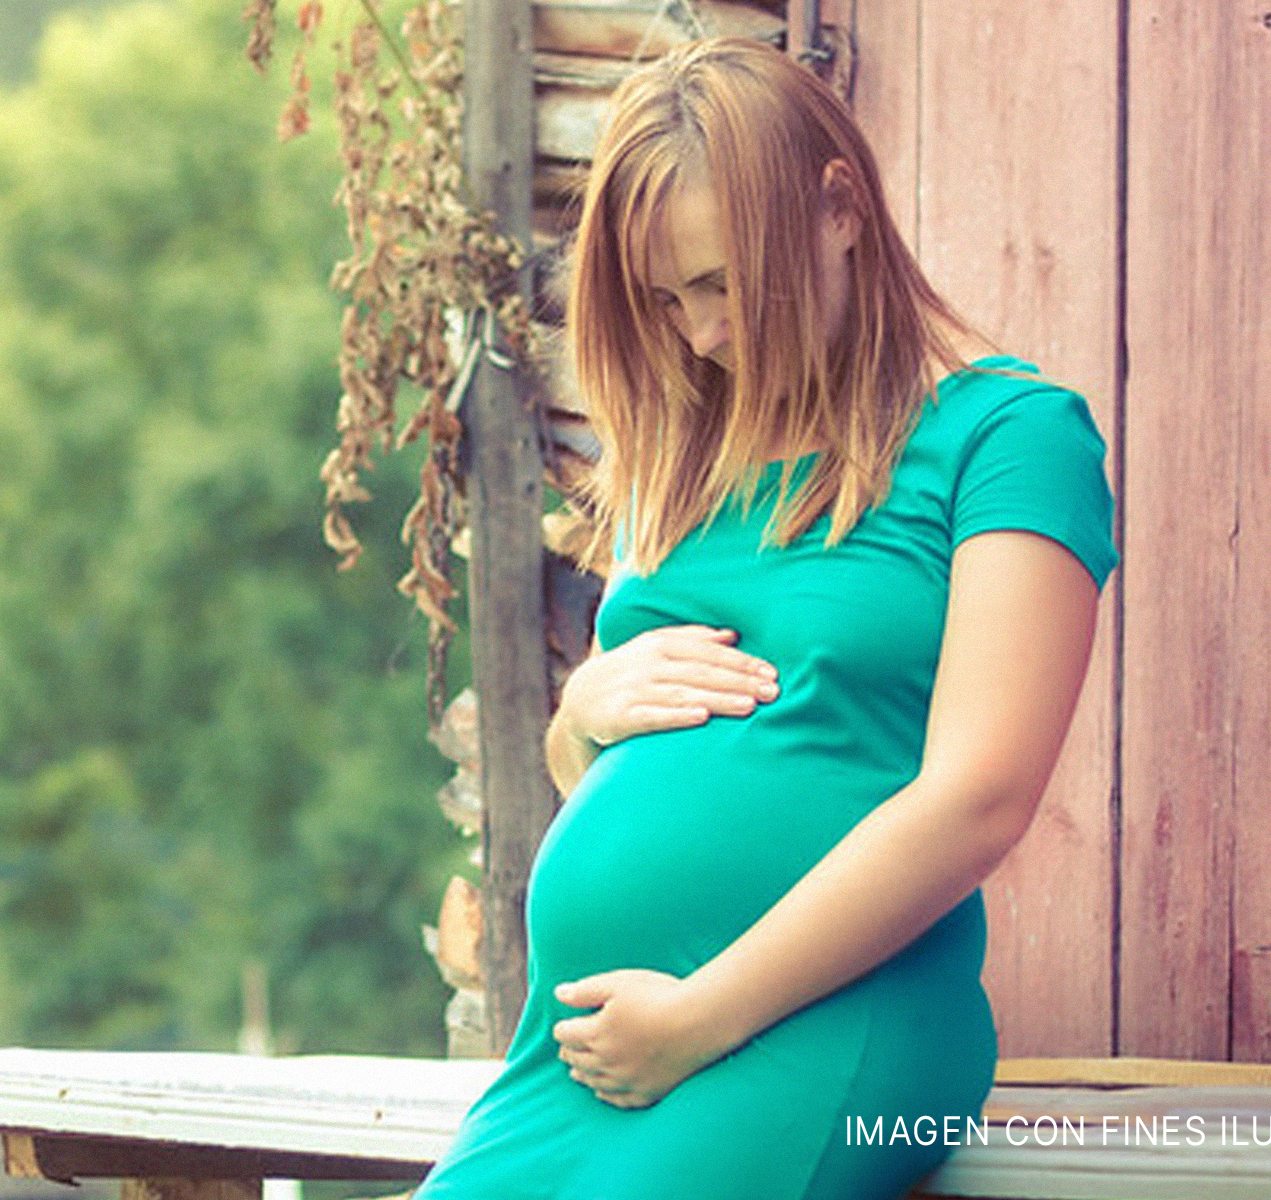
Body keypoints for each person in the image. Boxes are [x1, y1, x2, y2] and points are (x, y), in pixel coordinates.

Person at [411, 38, 1117, 1200]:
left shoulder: (1010, 439)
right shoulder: (695, 450)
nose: (697, 333)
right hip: (588, 1052)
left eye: (722, 283)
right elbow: (600, 754)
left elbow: (981, 798)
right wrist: (580, 713)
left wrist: (700, 1016)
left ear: (840, 208)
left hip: (814, 1025)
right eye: (665, 298)